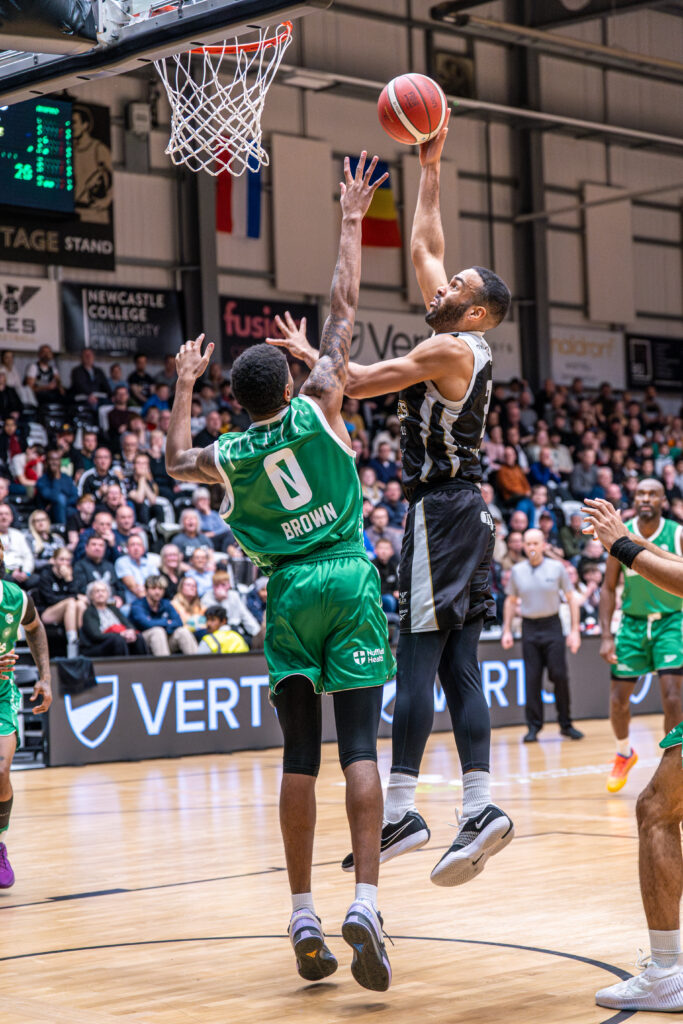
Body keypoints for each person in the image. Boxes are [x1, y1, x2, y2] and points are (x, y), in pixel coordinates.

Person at [165, 154, 396, 991]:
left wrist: (184, 384)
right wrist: (346, 215)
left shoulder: (225, 454)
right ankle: (366, 900)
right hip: (347, 571)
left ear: (237, 400)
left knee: (300, 753)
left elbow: (172, 458)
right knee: (360, 744)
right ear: (291, 381)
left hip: (289, 590)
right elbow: (343, 305)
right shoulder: (323, 396)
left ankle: (301, 911)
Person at [270, 118, 514, 887]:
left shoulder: (446, 349)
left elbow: (361, 383)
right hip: (463, 512)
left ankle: (405, 803)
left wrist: (317, 362)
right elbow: (423, 247)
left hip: (440, 513)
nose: (442, 288)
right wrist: (430, 165)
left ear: (474, 314)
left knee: (413, 653)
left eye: (458, 290)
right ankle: (479, 806)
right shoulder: (462, 336)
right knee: (459, 664)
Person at [583, 497, 683, 1012]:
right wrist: (629, 541)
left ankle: (668, 971)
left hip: (663, 620)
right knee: (658, 806)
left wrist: (620, 544)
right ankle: (622, 751)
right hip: (635, 622)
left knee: (657, 811)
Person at [598, 478, 683, 793]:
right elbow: (608, 589)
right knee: (619, 699)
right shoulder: (619, 533)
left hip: (671, 621)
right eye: (641, 493)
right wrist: (606, 635)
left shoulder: (677, 533)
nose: (646, 498)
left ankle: (672, 765)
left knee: (673, 697)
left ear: (663, 499)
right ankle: (624, 753)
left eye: (652, 493)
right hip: (632, 623)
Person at [0, 536, 51, 889]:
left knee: (2, 767)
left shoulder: (15, 597)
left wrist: (45, 677)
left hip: (1, 693)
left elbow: (34, 627)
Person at [502, 529, 582, 741]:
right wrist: (506, 630)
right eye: (528, 544)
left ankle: (566, 723)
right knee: (532, 679)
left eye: (535, 543)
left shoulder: (557, 568)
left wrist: (575, 630)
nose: (531, 548)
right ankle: (533, 727)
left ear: (543, 544)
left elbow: (571, 598)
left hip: (552, 626)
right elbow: (510, 602)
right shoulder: (517, 571)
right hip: (529, 628)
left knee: (560, 675)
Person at [36, 548, 88, 659]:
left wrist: (68, 579)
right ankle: (72, 641)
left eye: (68, 560)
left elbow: (76, 593)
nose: (65, 563)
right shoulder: (46, 575)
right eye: (61, 559)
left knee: (80, 604)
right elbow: (50, 599)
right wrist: (73, 597)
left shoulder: (73, 574)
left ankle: (83, 639)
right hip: (47, 612)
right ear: (54, 560)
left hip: (70, 612)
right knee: (71, 602)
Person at [128, 576, 198, 656]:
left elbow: (179, 622)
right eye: (153, 588)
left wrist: (161, 625)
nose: (157, 592)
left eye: (160, 589)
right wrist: (166, 622)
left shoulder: (166, 603)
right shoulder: (137, 605)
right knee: (157, 631)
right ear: (146, 590)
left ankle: (198, 665)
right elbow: (146, 624)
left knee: (183, 632)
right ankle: (166, 667)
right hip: (142, 642)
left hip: (165, 640)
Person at [80, 580, 147, 658]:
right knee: (117, 639)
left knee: (138, 637)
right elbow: (95, 635)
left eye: (103, 591)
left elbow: (127, 623)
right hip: (98, 645)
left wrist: (130, 631)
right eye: (97, 591)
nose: (100, 594)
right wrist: (120, 634)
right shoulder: (89, 612)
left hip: (118, 637)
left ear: (108, 594)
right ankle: (123, 668)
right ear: (91, 595)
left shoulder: (113, 609)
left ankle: (143, 667)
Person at [200, 569, 262, 642]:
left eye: (223, 585)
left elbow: (245, 616)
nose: (220, 588)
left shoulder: (234, 595)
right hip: (215, 632)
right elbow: (216, 618)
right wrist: (221, 601)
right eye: (217, 585)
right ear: (213, 586)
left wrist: (258, 634)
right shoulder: (206, 598)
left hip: (234, 630)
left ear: (229, 585)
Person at [36, 449, 79, 526]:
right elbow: (53, 497)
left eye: (56, 460)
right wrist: (56, 478)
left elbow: (75, 496)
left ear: (60, 462)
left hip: (66, 509)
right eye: (51, 459)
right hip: (48, 513)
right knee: (60, 498)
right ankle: (62, 528)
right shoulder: (42, 481)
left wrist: (63, 504)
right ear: (46, 462)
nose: (54, 462)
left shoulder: (67, 478)